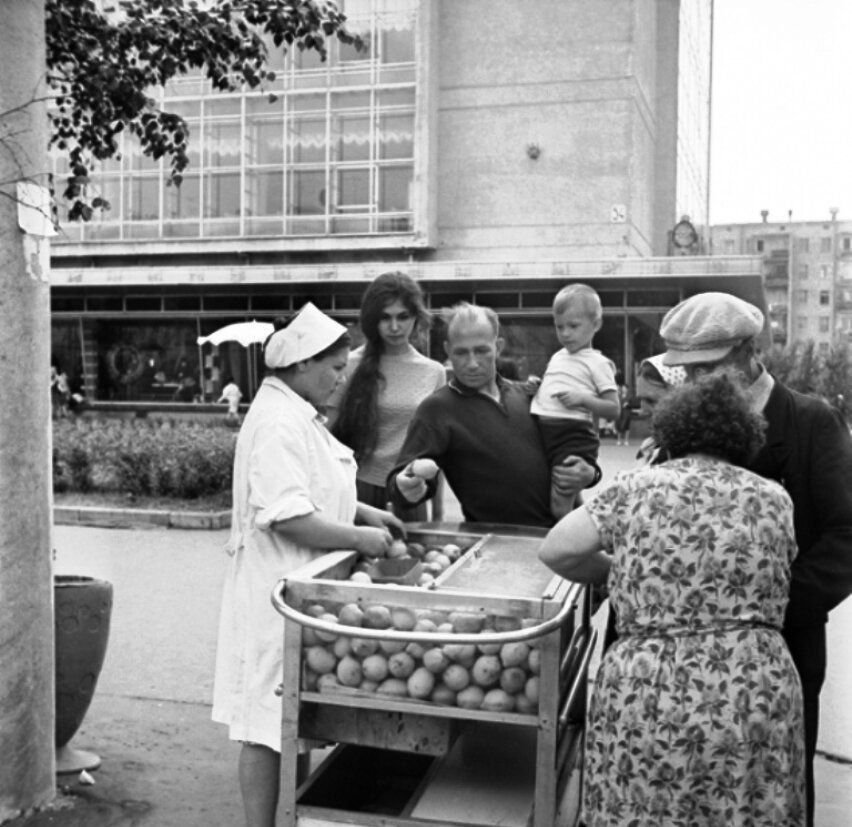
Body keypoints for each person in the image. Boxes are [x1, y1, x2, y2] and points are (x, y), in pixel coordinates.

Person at [539, 371, 806, 826]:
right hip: (752, 684)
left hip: (651, 683)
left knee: (643, 808)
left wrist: (621, 575)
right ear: (744, 436)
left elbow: (557, 549)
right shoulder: (775, 498)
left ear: (674, 431)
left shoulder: (637, 487)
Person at [659, 291, 852, 826]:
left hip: (787, 644)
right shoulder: (686, 428)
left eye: (707, 368)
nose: (695, 383)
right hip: (696, 655)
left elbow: (845, 536)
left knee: (781, 784)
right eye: (686, 372)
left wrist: (774, 611)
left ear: (748, 353)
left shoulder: (813, 422)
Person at [211, 302, 404, 827]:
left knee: (286, 719)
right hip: (276, 592)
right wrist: (361, 535)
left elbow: (315, 485)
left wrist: (367, 508)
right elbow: (290, 517)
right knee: (263, 725)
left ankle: (290, 819)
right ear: (300, 364)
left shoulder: (297, 413)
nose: (341, 379)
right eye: (335, 368)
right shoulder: (277, 420)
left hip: (298, 591)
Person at [387, 302, 600, 528]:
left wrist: (590, 473)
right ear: (448, 350)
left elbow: (574, 445)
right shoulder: (437, 409)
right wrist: (406, 486)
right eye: (461, 353)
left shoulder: (531, 395)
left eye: (481, 351)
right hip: (499, 544)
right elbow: (400, 480)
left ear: (498, 347)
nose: (472, 363)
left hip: (569, 532)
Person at [325, 272, 446, 521]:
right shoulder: (349, 365)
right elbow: (326, 436)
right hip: (357, 489)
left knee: (413, 559)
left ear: (415, 318)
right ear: (372, 320)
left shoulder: (433, 372)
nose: (394, 327)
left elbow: (437, 451)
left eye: (403, 317)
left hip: (410, 491)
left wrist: (438, 513)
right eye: (385, 318)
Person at [530, 284, 619, 518]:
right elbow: (555, 386)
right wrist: (537, 388)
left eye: (573, 326)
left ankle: (569, 548)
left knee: (560, 504)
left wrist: (584, 399)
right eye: (560, 327)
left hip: (572, 436)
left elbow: (613, 410)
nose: (566, 333)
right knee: (571, 498)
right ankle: (584, 541)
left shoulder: (598, 363)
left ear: (596, 324)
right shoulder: (559, 355)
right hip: (547, 434)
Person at [612, 370, 631, 446]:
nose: (624, 389)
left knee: (626, 425)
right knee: (618, 424)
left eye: (625, 388)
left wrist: (628, 403)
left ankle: (626, 440)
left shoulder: (628, 394)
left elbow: (631, 401)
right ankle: (619, 440)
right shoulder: (617, 392)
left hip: (626, 410)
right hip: (620, 410)